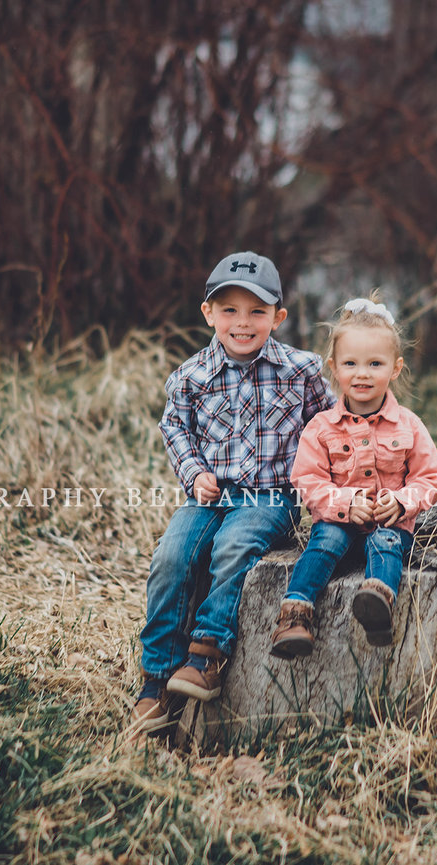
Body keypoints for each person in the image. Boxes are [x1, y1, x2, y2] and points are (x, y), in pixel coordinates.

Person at [130, 251, 334, 736]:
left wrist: (327, 478)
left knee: (233, 547)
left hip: (269, 497)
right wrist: (193, 471)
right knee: (173, 556)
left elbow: (328, 424)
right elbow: (174, 427)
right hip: (208, 495)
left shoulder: (300, 371)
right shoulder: (190, 376)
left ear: (278, 317)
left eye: (257, 312)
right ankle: (156, 679)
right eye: (230, 311)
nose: (243, 323)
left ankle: (207, 654)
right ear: (208, 313)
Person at [270, 297, 437, 656]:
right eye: (350, 363)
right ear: (334, 367)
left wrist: (400, 502)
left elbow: (431, 478)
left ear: (395, 369)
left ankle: (377, 601)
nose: (362, 373)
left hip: (389, 525)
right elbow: (307, 480)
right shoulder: (321, 427)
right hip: (337, 521)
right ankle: (296, 613)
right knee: (325, 542)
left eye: (374, 364)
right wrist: (346, 504)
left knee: (386, 543)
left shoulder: (409, 425)